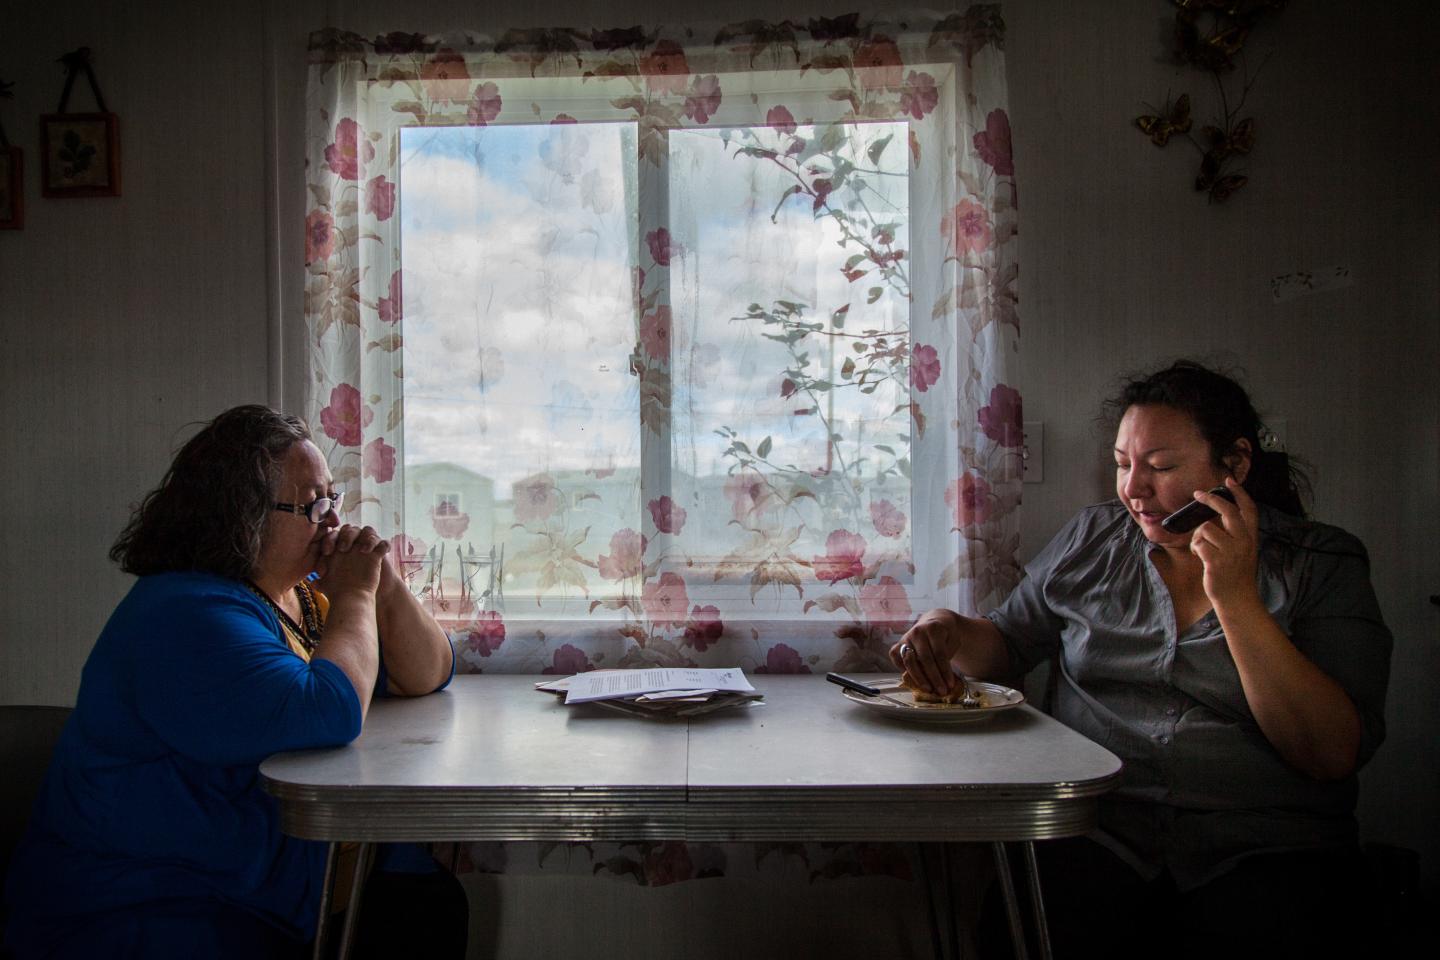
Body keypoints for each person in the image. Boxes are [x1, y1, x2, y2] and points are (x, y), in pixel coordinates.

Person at [895, 361, 1392, 959]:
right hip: (1102, 834)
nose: (1133, 490)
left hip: (1266, 848)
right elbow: (1006, 644)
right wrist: (946, 630)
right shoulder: (1093, 539)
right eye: (1123, 464)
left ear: (1233, 464)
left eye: (1161, 467)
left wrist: (1232, 594)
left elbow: (1328, 752)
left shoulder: (1321, 562)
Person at [2, 406, 467, 959]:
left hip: (261, 885)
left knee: (428, 902)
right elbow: (331, 710)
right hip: (155, 910)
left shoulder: (298, 598)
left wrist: (384, 588)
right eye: (314, 504)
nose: (332, 521)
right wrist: (357, 597)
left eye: (334, 499)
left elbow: (428, 673)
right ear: (241, 515)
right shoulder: (184, 615)